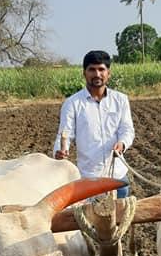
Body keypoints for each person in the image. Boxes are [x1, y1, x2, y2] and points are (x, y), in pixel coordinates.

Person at [54, 50, 134, 197]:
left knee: (121, 218)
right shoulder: (72, 103)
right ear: (84, 73)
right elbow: (64, 134)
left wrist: (122, 143)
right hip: (88, 177)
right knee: (89, 219)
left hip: (117, 175)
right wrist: (60, 151)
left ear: (108, 73)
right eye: (92, 69)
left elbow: (127, 129)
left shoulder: (120, 100)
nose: (97, 74)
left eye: (101, 69)